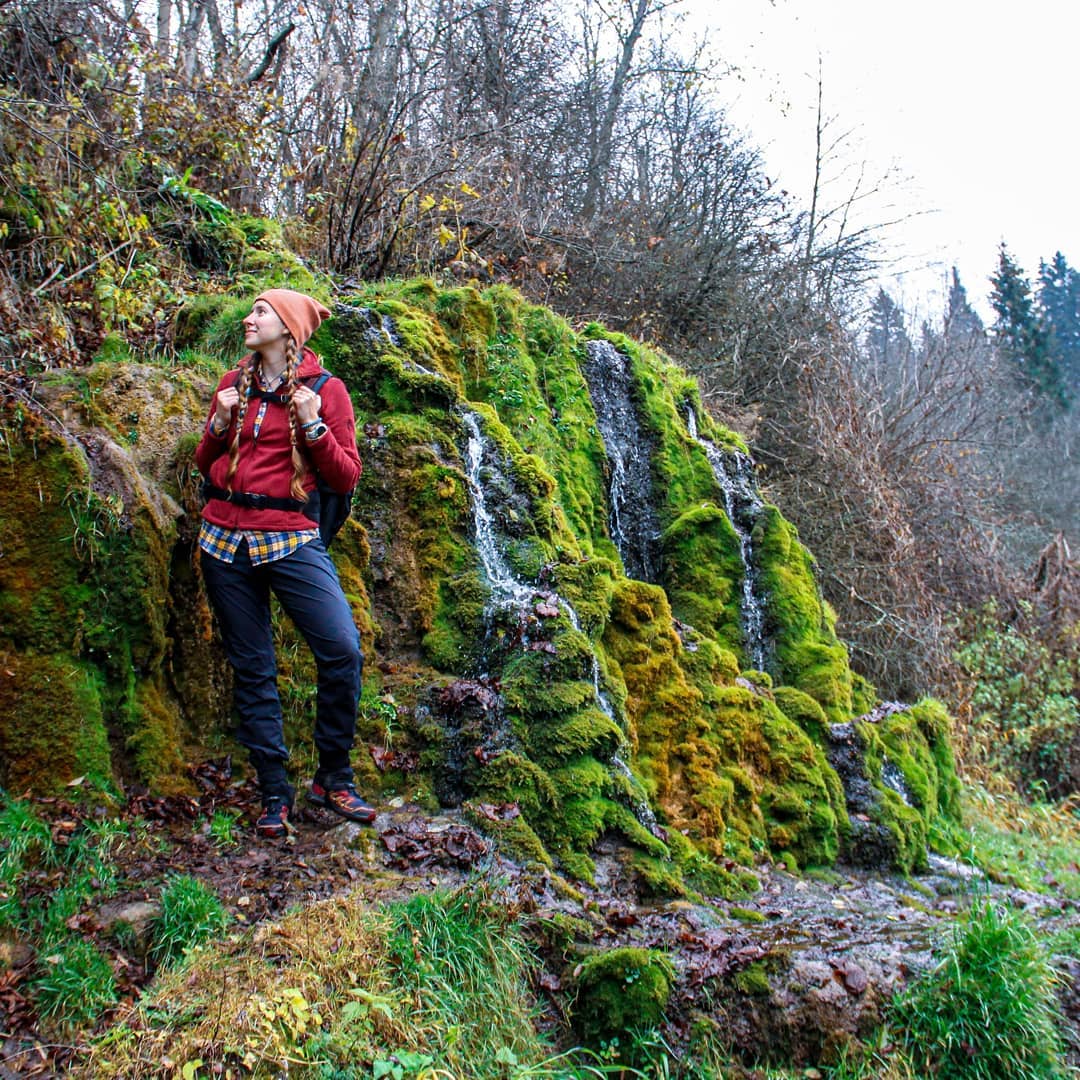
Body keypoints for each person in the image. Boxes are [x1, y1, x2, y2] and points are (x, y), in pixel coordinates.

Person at [195, 288, 376, 839]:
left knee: (342, 649)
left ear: (289, 329)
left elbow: (346, 477)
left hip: (292, 538)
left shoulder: (327, 391)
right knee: (253, 667)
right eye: (253, 312)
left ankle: (333, 776)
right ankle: (274, 788)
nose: (249, 319)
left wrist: (314, 426)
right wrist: (219, 426)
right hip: (223, 542)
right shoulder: (232, 386)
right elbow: (205, 465)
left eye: (261, 312)